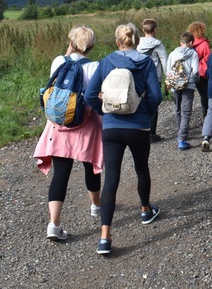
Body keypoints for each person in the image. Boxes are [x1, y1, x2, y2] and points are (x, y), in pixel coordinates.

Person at [85, 23, 163, 256]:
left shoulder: (105, 62)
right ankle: (146, 210)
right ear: (137, 41)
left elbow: (89, 95)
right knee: (141, 168)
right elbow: (156, 96)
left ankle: (104, 238)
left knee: (111, 179)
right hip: (138, 126)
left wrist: (105, 112)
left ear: (118, 42)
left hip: (111, 128)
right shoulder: (145, 62)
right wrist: (144, 113)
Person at [33, 25, 103, 241]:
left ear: (70, 42)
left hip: (58, 127)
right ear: (90, 46)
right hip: (86, 125)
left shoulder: (58, 61)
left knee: (60, 175)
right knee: (91, 169)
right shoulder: (95, 67)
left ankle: (54, 225)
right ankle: (95, 207)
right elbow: (95, 96)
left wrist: (68, 51)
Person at [166, 31, 200, 150]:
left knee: (178, 110)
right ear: (191, 42)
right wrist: (196, 80)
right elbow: (195, 71)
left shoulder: (172, 53)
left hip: (175, 85)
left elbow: (168, 70)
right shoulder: (193, 54)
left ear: (180, 42)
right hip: (188, 85)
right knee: (186, 111)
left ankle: (180, 133)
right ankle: (182, 139)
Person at [137, 18, 167, 143]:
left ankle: (140, 131)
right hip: (154, 78)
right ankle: (152, 134)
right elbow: (164, 61)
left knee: (140, 103)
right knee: (153, 104)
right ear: (155, 30)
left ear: (143, 30)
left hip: (139, 78)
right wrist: (168, 78)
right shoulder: (158, 44)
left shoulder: (137, 44)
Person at [188, 21, 211, 121]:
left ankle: (185, 116)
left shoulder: (188, 43)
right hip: (201, 72)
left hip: (189, 72)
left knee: (188, 96)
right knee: (204, 94)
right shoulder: (204, 44)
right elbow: (209, 58)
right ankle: (205, 113)